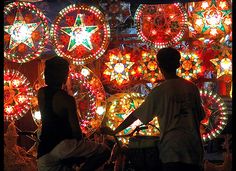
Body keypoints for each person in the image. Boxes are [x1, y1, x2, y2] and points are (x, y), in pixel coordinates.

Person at [101, 47, 206, 171]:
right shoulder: (191, 88)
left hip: (172, 151)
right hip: (194, 149)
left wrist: (116, 131)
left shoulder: (159, 91)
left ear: (159, 66)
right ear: (178, 64)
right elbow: (201, 115)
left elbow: (137, 116)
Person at [37, 56, 110, 171]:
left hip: (43, 154)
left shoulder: (41, 93)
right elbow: (76, 132)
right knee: (104, 151)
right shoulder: (67, 99)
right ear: (64, 76)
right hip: (63, 147)